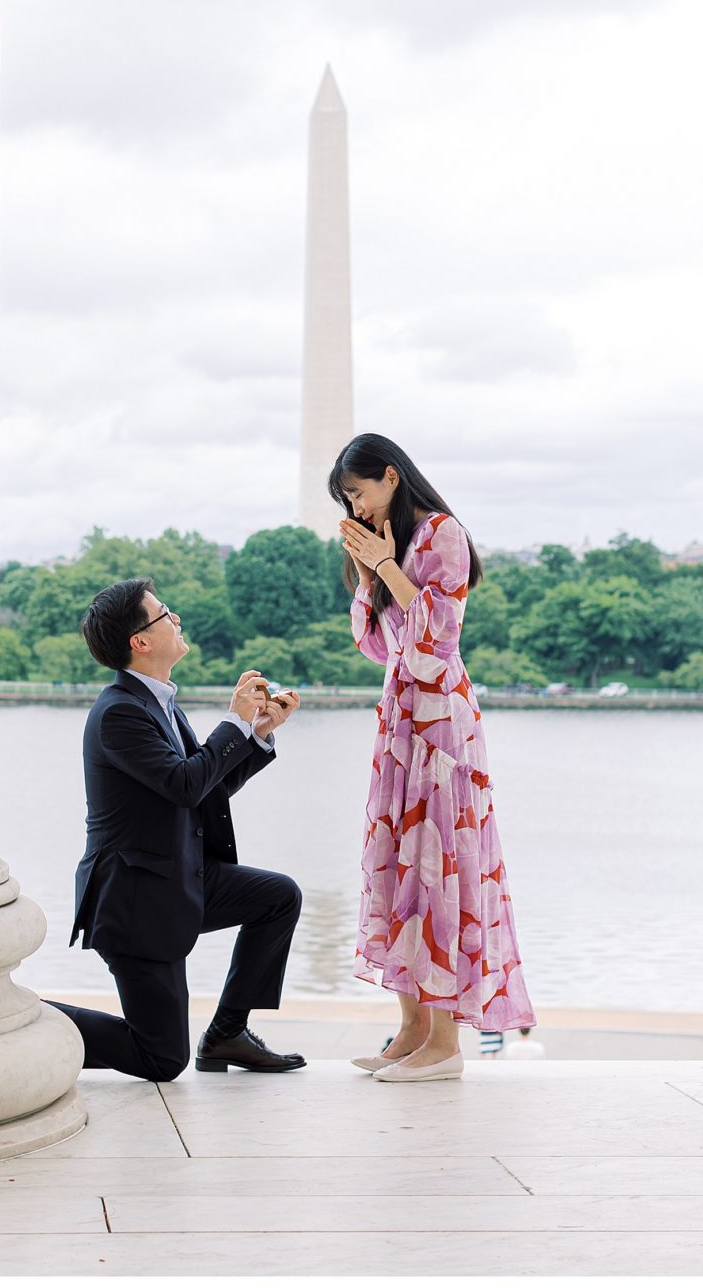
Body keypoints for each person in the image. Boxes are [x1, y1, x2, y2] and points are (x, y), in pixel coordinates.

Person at [330, 432, 536, 1083]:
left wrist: (388, 567)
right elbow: (374, 644)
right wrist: (368, 571)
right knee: (395, 866)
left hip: (439, 724)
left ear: (390, 477)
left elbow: (436, 640)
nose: (357, 508)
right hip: (399, 721)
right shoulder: (388, 545)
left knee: (437, 865)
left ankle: (445, 1044)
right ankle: (413, 1029)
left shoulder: (441, 533)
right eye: (347, 501)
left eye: (358, 493)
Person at [46, 578, 308, 1081]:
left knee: (277, 897)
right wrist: (232, 723)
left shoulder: (158, 703)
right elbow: (185, 784)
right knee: (161, 1058)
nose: (177, 618)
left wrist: (255, 734)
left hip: (176, 882)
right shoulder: (119, 712)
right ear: (140, 641)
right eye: (165, 613)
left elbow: (200, 792)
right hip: (136, 902)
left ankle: (228, 1031)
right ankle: (28, 1022)